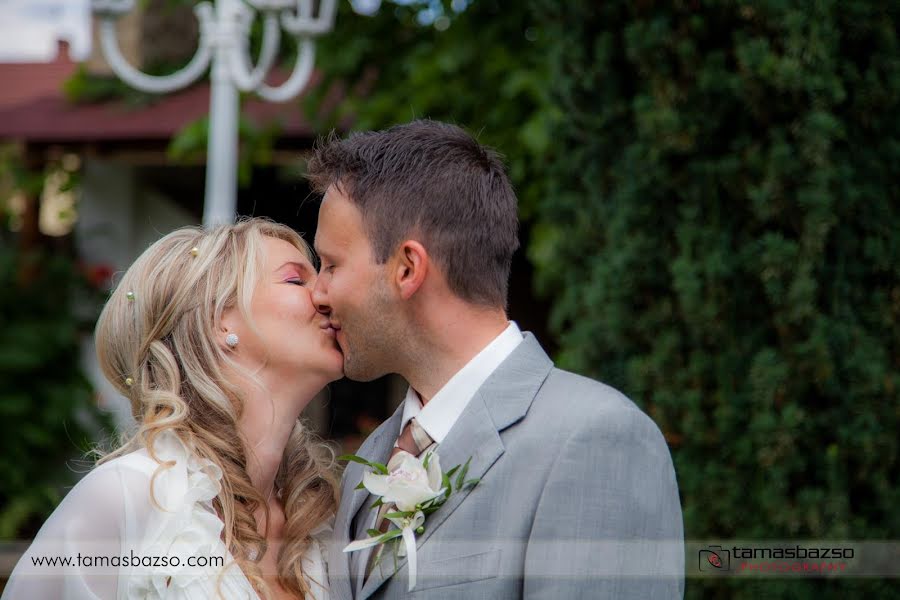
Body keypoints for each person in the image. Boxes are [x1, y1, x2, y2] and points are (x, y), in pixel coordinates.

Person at [308, 120, 685, 599]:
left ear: (407, 269)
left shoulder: (596, 439)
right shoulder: (369, 464)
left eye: (332, 265)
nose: (318, 293)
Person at [2, 218, 341, 599]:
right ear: (217, 319)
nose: (328, 296)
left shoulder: (319, 520)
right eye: (297, 280)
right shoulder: (124, 496)